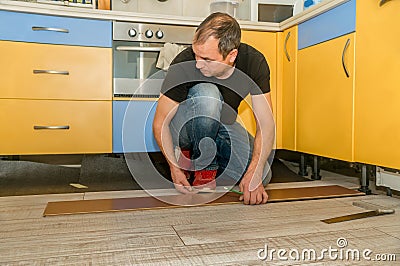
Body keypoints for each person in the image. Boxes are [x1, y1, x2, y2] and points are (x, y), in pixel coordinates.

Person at [152, 12, 275, 205]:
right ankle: (202, 165)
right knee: (208, 94)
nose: (198, 63)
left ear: (231, 55)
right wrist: (174, 169)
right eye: (196, 54)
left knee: (263, 175)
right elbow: (160, 123)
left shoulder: (254, 63)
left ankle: (207, 163)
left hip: (221, 127)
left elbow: (266, 123)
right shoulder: (183, 63)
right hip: (184, 130)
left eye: (207, 59)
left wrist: (255, 172)